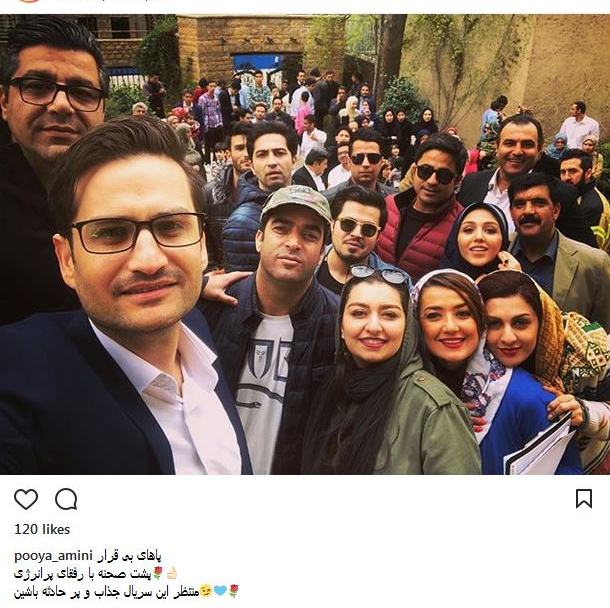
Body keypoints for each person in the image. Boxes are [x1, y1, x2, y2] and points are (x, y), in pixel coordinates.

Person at [0, 117, 251, 474]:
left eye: (171, 226)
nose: (149, 261)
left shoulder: (196, 327)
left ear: (201, 245)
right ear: (67, 259)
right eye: (111, 232)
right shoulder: (20, 381)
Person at [201, 186, 338, 474]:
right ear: (259, 239)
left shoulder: (337, 323)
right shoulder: (215, 307)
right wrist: (195, 288)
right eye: (281, 229)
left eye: (309, 235)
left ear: (322, 253)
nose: (294, 243)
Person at [302, 268, 481, 474]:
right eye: (359, 313)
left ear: (407, 327)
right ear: (341, 326)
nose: (374, 327)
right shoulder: (331, 386)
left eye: (389, 315)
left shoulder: (433, 408)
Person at [413, 270, 582, 475]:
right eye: (433, 315)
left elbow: (566, 471)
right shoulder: (405, 392)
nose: (450, 326)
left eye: (463, 313)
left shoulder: (529, 396)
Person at [0, 16, 108, 326]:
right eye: (37, 87)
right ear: (5, 102)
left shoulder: (122, 186)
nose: (61, 105)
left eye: (82, 92)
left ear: (102, 109)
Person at [478, 270, 610, 474]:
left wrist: (585, 413)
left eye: (520, 322)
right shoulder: (474, 358)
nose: (508, 337)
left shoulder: (587, 350)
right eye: (493, 324)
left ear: (542, 320)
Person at [458, 114, 597, 247]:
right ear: (497, 146)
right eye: (509, 143)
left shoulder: (559, 193)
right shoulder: (472, 182)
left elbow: (586, 254)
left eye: (527, 144)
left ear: (539, 149)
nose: (517, 151)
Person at [507, 172, 610, 330]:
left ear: (555, 211)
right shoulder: (496, 252)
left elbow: (604, 332)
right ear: (511, 212)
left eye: (539, 203)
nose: (528, 211)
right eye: (519, 204)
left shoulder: (593, 263)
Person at [376, 132, 466, 282]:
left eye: (443, 175)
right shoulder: (390, 205)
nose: (432, 181)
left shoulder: (462, 226)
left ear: (457, 181)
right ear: (414, 171)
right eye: (425, 171)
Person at [222, 121, 298, 272]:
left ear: (294, 160)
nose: (272, 162)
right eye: (262, 155)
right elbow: (241, 283)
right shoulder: (241, 223)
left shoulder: (307, 204)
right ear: (251, 166)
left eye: (279, 153)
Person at [316, 185, 409, 295]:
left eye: (368, 229)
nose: (357, 234)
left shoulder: (398, 285)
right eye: (348, 223)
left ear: (378, 236)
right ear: (332, 225)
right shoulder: (306, 265)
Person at [204, 122, 252, 271]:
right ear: (228, 154)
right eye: (239, 148)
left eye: (250, 147)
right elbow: (204, 241)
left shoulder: (271, 192)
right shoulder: (210, 194)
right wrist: (213, 272)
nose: (246, 154)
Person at [440, 202, 521, 281]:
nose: (479, 237)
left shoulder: (517, 281)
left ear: (503, 239)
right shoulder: (437, 283)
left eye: (490, 230)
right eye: (468, 230)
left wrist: (517, 282)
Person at [324, 128, 397, 201]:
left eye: (373, 158)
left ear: (381, 162)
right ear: (349, 161)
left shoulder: (396, 200)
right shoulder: (327, 200)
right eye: (358, 158)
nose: (366, 164)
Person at [559, 148, 610, 250]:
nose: (566, 177)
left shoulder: (592, 207)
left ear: (588, 173)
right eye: (563, 172)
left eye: (573, 171)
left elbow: (588, 251)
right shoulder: (574, 195)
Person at [198, 81, 224, 165]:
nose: (213, 88)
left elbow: (219, 111)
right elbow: (201, 112)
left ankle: (216, 160)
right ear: (207, 87)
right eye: (211, 86)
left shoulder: (216, 97)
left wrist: (220, 122)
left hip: (216, 123)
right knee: (207, 144)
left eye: (214, 86)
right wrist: (203, 125)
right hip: (208, 124)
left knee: (216, 143)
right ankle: (208, 161)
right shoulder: (203, 98)